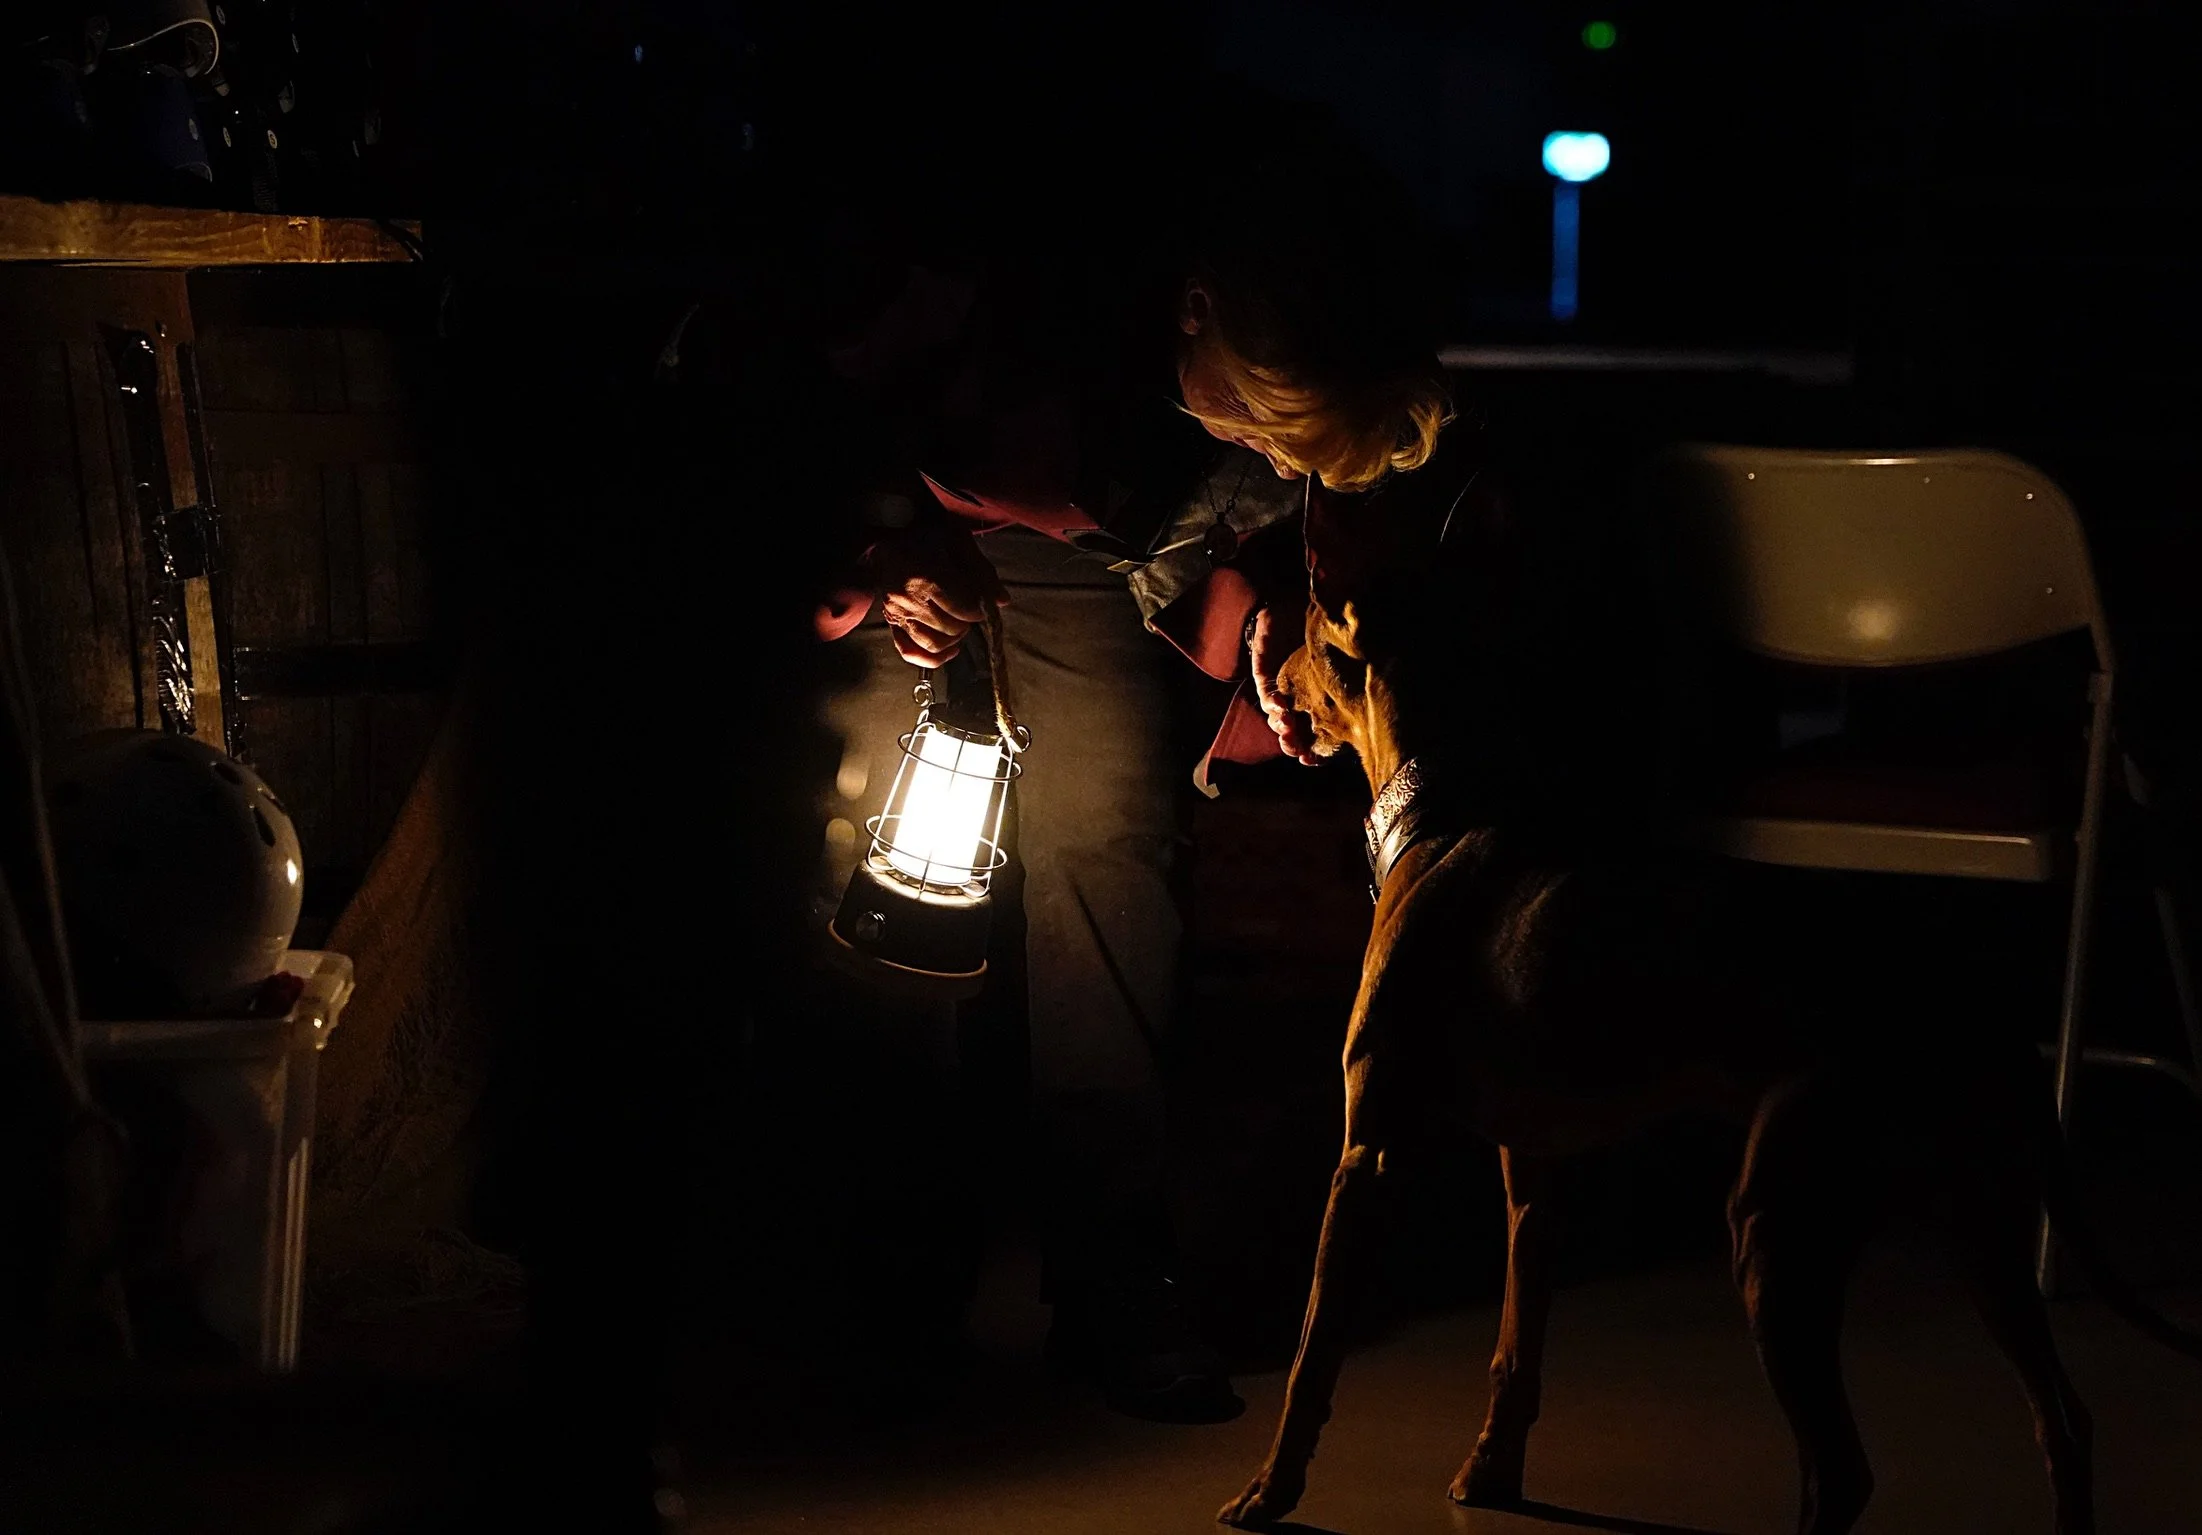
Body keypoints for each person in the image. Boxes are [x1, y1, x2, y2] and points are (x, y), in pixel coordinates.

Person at [812, 94, 1460, 1422]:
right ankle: (886, 1267)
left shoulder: (1293, 355)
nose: (1266, 454)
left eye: (1289, 444)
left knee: (1106, 839)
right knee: (892, 867)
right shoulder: (1005, 284)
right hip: (899, 500)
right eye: (1257, 425)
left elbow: (1284, 506)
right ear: (1191, 308)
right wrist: (884, 548)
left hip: (1078, 552)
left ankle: (1114, 1274)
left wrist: (1278, 585)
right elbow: (800, 406)